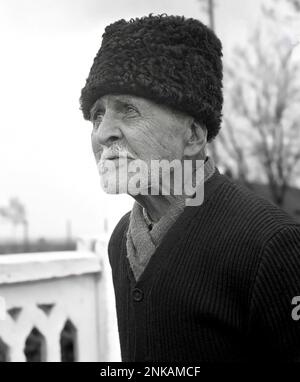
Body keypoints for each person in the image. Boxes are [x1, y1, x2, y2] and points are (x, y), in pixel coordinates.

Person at [80, 14, 300, 362]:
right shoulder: (120, 239)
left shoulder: (273, 246)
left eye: (129, 110)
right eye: (97, 114)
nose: (103, 132)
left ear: (194, 136)